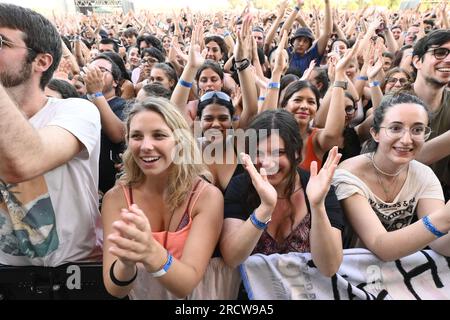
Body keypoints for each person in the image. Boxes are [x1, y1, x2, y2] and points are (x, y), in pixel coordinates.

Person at [0, 4, 103, 297]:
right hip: (7, 277)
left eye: (1, 42)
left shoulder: (77, 110)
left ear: (42, 61)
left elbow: (25, 160)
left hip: (74, 276)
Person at [101, 97, 225, 299]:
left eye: (159, 135)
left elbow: (186, 285)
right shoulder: (116, 199)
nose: (146, 146)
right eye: (137, 136)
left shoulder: (206, 196)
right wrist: (126, 262)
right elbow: (115, 289)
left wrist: (150, 251)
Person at [221, 110, 344, 280]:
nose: (268, 163)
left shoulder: (318, 188)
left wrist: (317, 206)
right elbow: (232, 258)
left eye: (278, 153)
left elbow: (329, 267)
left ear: (295, 152)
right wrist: (264, 209)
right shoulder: (240, 186)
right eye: (259, 153)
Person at [332, 93, 450, 260]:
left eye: (417, 130)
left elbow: (440, 242)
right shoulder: (348, 175)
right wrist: (444, 217)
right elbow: (381, 246)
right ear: (375, 133)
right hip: (346, 274)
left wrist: (446, 221)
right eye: (395, 128)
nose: (407, 140)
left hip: (395, 276)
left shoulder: (423, 174)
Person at [411, 29, 450, 201]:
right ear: (417, 61)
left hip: (440, 195)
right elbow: (409, 158)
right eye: (440, 53)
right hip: (397, 201)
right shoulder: (395, 103)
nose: (448, 60)